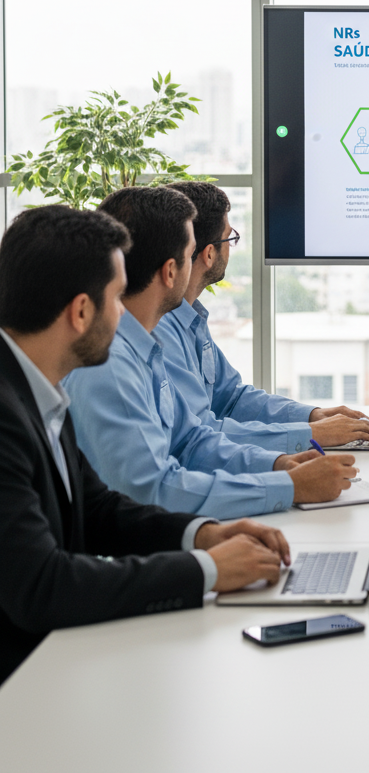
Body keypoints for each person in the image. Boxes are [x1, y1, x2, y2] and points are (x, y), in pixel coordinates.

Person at [0, 205, 292, 684]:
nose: (125, 314)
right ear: (80, 312)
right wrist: (205, 571)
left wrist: (201, 534)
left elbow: (97, 511)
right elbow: (42, 585)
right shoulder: (6, 414)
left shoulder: (39, 388)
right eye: (116, 298)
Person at [65, 186, 358, 519]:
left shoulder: (144, 345)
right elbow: (152, 490)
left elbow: (192, 440)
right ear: (171, 270)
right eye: (190, 252)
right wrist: (288, 485)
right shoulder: (111, 365)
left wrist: (278, 464)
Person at [159, 181, 369, 454]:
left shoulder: (191, 318)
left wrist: (311, 416)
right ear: (209, 253)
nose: (231, 247)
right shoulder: (162, 330)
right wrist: (310, 435)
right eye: (230, 238)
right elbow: (201, 437)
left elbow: (232, 398)